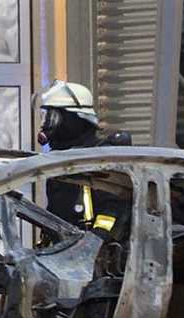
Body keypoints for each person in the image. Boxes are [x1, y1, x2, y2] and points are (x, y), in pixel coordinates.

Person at [37, 80, 131, 237]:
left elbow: (113, 208)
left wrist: (96, 239)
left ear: (72, 119)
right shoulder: (61, 161)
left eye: (52, 117)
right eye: (45, 117)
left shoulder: (99, 158)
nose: (46, 125)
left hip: (92, 247)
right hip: (65, 246)